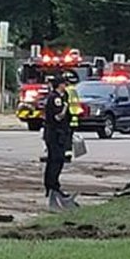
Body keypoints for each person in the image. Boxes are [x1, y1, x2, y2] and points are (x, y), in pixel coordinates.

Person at [39, 76, 76, 209]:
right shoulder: (55, 98)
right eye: (64, 83)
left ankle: (53, 187)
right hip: (54, 133)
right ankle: (52, 187)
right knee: (55, 160)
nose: (65, 85)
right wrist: (65, 108)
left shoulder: (62, 96)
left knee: (57, 160)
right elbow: (57, 117)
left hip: (60, 133)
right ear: (59, 85)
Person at [63, 70, 82, 163]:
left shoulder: (67, 91)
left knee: (66, 137)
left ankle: (66, 155)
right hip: (74, 117)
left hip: (68, 117)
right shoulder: (74, 90)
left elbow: (66, 104)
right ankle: (68, 154)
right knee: (69, 137)